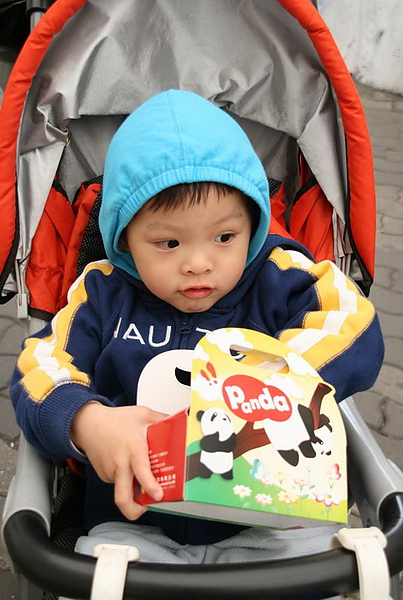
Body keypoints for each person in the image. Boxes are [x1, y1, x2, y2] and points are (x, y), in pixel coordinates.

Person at [11, 89, 384, 567]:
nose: (199, 263)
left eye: (225, 237)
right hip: (136, 524)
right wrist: (85, 420)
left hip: (271, 519)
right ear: (124, 238)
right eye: (168, 242)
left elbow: (352, 324)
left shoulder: (280, 276)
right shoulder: (102, 295)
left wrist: (267, 378)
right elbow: (37, 367)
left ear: (254, 223)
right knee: (95, 574)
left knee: (330, 564)